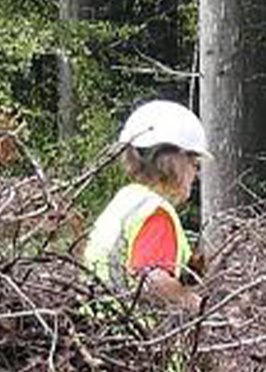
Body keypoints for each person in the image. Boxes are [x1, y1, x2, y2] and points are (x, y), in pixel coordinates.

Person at [82, 100, 206, 310]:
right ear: (175, 163)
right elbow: (151, 281)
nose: (196, 174)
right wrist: (198, 307)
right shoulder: (156, 213)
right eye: (195, 164)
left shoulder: (127, 199)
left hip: (97, 327)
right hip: (132, 334)